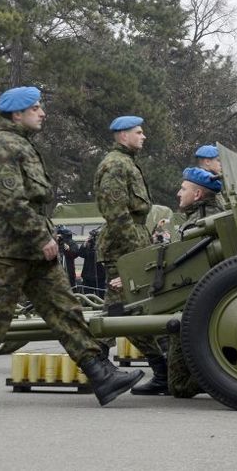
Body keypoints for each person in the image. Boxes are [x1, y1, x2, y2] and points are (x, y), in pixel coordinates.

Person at [0, 86, 143, 407]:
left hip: (31, 247)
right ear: (17, 114)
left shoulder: (22, 145)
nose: (42, 112)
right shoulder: (5, 147)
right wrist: (41, 236)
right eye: (35, 108)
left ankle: (100, 373)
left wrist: (42, 238)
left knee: (65, 308)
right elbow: (10, 201)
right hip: (10, 247)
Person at [94, 114, 166, 396]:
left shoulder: (126, 163)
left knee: (129, 309)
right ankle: (97, 367)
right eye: (138, 132)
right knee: (116, 311)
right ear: (123, 135)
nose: (143, 136)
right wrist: (132, 254)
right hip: (123, 247)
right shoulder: (115, 165)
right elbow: (115, 212)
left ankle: (161, 370)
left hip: (133, 242)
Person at [166, 166, 224, 398]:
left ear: (198, 195)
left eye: (184, 189)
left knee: (179, 386)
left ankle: (222, 378)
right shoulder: (210, 215)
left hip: (193, 300)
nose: (179, 193)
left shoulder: (198, 224)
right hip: (206, 297)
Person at [78, 228, 106, 295]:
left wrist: (98, 245)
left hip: (99, 276)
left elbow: (99, 256)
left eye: (91, 236)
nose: (90, 238)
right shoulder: (87, 245)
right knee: (88, 296)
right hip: (87, 276)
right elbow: (81, 254)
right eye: (90, 236)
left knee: (100, 295)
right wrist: (84, 245)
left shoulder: (102, 246)